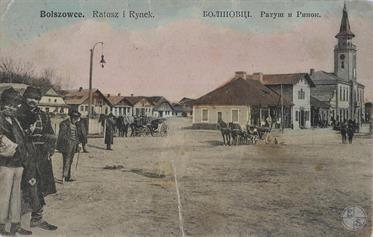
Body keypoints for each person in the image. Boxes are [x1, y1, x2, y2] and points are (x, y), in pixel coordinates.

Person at [17, 86, 58, 231]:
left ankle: (37, 218)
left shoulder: (43, 115)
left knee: (40, 187)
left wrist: (50, 148)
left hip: (41, 156)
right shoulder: (18, 113)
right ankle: (19, 223)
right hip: (25, 156)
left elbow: (50, 134)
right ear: (25, 98)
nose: (33, 101)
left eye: (36, 99)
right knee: (25, 187)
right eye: (30, 98)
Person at [0, 88, 33, 235]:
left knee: (16, 195)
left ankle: (15, 225)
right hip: (5, 163)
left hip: (19, 163)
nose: (12, 108)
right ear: (2, 104)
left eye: (15, 105)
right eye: (9, 105)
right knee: (4, 195)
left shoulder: (15, 120)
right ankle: (1, 227)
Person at [57, 110, 81, 182]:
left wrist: (78, 144)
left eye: (77, 119)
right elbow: (62, 135)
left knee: (70, 160)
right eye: (75, 118)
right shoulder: (64, 124)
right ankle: (64, 177)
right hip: (66, 145)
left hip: (73, 144)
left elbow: (76, 136)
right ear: (71, 117)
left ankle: (68, 177)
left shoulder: (75, 125)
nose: (76, 120)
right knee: (67, 160)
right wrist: (67, 141)